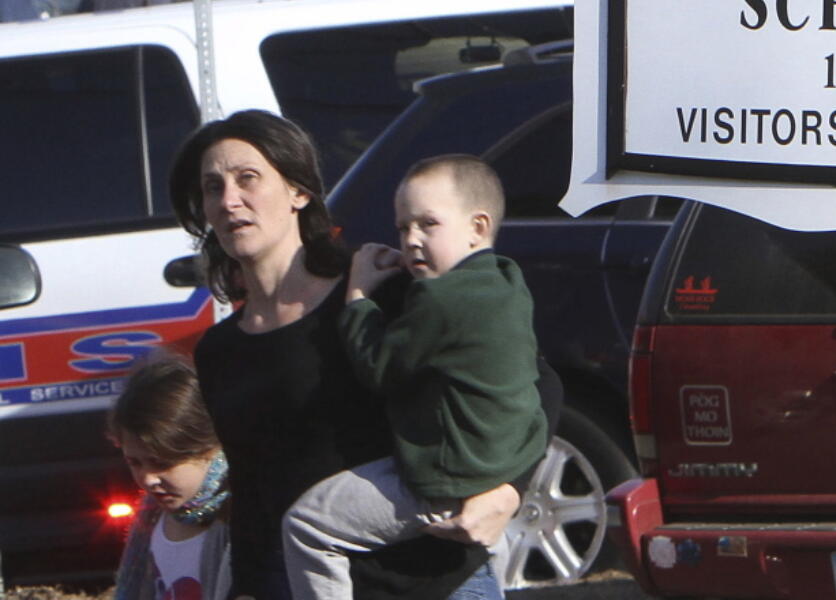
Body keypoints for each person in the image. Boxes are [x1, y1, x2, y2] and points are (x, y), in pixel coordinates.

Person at [168, 110, 560, 600]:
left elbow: (535, 382)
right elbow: (253, 490)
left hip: (433, 583)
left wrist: (508, 490)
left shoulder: (383, 295)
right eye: (212, 187)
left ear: (299, 191)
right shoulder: (221, 351)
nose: (229, 200)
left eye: (248, 178)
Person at [282, 155, 549, 600]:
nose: (411, 240)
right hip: (505, 463)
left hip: (447, 479)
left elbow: (379, 367)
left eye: (428, 224)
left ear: (478, 228)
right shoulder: (507, 281)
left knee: (307, 525)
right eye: (403, 227)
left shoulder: (439, 299)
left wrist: (359, 295)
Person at [109, 352, 231, 600]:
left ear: (208, 447)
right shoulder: (151, 517)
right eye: (134, 462)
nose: (148, 479)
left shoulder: (243, 519)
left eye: (161, 463)